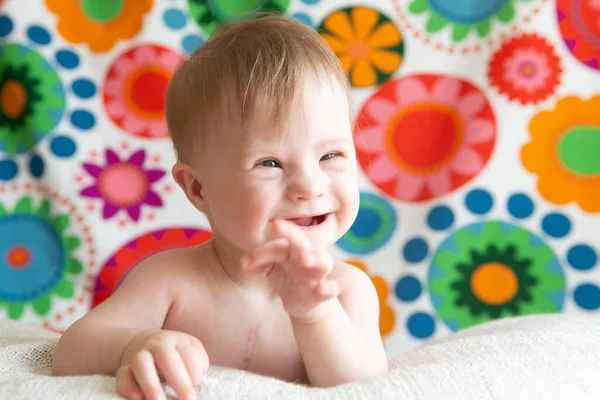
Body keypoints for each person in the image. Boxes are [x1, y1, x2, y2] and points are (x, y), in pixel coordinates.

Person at [52, 14, 389, 400]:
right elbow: (71, 351)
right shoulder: (171, 281)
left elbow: (367, 388)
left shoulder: (346, 291)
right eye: (270, 163)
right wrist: (135, 346)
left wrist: (315, 315)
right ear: (198, 189)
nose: (310, 186)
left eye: (330, 155)